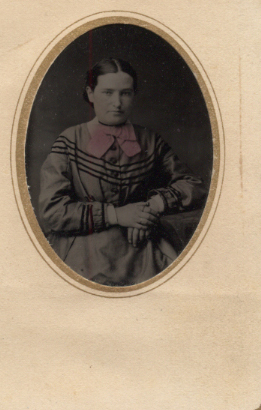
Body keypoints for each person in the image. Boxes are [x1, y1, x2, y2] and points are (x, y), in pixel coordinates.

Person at [38, 57, 207, 286]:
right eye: (107, 93)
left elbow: (195, 186)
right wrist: (116, 215)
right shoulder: (69, 141)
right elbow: (52, 211)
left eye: (125, 93)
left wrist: (150, 208)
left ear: (133, 95)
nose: (117, 103)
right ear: (90, 93)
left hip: (142, 248)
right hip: (84, 251)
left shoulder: (149, 140)